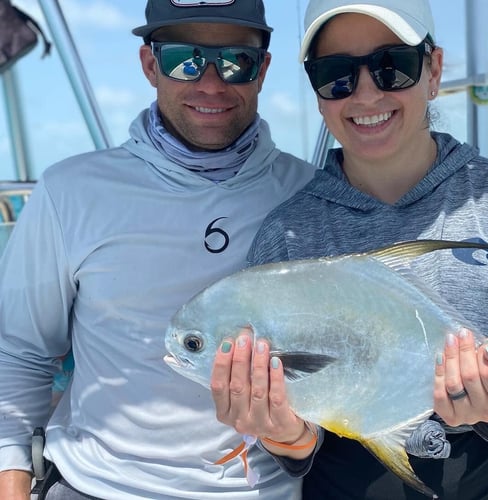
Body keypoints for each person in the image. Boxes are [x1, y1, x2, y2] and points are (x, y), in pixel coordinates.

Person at [210, 0, 488, 499]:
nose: (365, 93)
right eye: (335, 75)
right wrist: (285, 434)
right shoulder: (288, 233)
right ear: (317, 94)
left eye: (393, 67)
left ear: (433, 71)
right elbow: (302, 437)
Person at [0, 1, 318, 498]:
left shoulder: (312, 196)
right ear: (150, 65)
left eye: (236, 61)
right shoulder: (70, 191)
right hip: (94, 485)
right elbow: (19, 351)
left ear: (263, 71)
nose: (211, 83)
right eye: (184, 60)